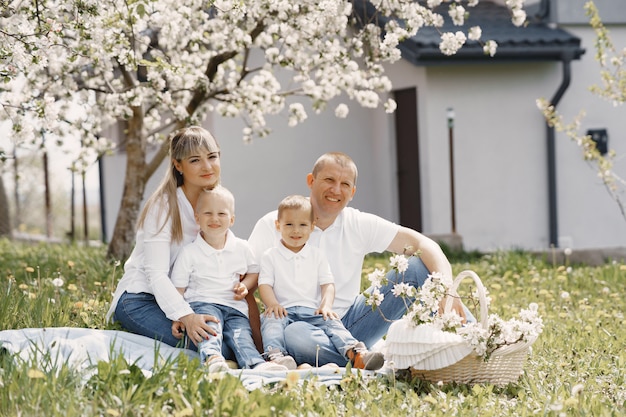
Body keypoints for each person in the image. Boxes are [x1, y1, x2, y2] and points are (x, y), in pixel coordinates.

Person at [248, 152, 468, 367]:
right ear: (311, 181)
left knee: (416, 266)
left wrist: (445, 288)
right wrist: (259, 348)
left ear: (352, 192)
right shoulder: (273, 224)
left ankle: (474, 341)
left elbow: (423, 244)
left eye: (345, 184)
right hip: (300, 327)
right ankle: (366, 360)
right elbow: (244, 288)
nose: (336, 190)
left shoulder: (358, 223)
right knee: (294, 335)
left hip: (353, 321)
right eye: (329, 180)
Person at [106, 125, 261, 351]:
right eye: (195, 160)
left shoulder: (217, 206)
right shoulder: (164, 207)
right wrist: (186, 316)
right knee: (217, 346)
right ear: (178, 165)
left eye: (212, 157)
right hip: (141, 300)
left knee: (239, 344)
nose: (207, 166)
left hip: (194, 300)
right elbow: (156, 274)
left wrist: (261, 347)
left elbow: (238, 274)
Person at [258, 195, 385, 370]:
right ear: (278, 225)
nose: (296, 230)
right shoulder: (270, 256)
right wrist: (272, 304)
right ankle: (276, 357)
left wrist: (326, 306)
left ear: (312, 227)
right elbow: (264, 284)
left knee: (332, 322)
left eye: (302, 225)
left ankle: (355, 353)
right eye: (289, 225)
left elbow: (327, 284)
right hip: (283, 310)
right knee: (270, 321)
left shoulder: (317, 255)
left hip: (311, 310)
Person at [170, 186, 288, 372]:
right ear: (197, 217)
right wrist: (179, 316)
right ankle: (213, 359)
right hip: (203, 303)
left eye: (221, 214)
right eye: (208, 213)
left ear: (231, 219)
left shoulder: (241, 247)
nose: (215, 218)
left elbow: (254, 271)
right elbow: (179, 288)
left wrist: (245, 285)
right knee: (210, 330)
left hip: (235, 307)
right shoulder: (189, 252)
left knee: (241, 336)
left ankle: (255, 364)